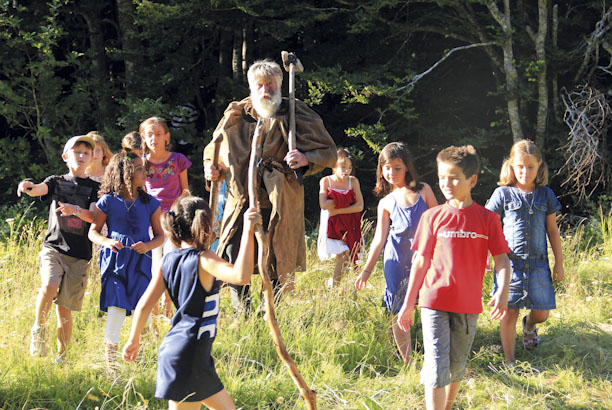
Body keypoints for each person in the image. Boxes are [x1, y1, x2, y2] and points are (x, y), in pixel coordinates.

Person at [203, 59, 337, 311]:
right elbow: (214, 147)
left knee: (276, 256)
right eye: (260, 85)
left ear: (280, 84)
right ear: (252, 86)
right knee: (234, 249)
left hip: (281, 198)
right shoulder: (236, 114)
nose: (265, 91)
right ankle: (242, 310)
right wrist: (211, 166)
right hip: (241, 199)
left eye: (271, 85)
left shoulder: (295, 112)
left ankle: (273, 310)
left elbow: (329, 152)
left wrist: (305, 159)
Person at [397, 145, 511, 410]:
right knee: (437, 366)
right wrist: (408, 302)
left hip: (469, 305)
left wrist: (502, 290)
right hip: (433, 300)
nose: (446, 183)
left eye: (454, 177)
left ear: (472, 180)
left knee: (457, 366)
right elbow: (421, 261)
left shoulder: (488, 219)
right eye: (442, 177)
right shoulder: (432, 217)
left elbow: (502, 259)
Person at [122, 195, 261, 410]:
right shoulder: (204, 259)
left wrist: (133, 339)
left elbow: (143, 305)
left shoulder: (168, 260)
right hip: (188, 356)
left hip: (188, 354)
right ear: (205, 224)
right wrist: (248, 233)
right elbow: (241, 277)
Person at [17, 135, 100, 360]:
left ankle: (62, 356)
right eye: (77, 152)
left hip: (80, 255)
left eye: (86, 153)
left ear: (92, 158)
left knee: (64, 309)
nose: (81, 156)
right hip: (53, 248)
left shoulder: (95, 188)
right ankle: (38, 330)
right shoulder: (56, 181)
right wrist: (27, 186)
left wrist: (76, 210)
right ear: (65, 157)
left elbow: (94, 216)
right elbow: (38, 189)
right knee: (49, 285)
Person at [354, 142, 438, 364]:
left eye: (397, 167)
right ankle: (408, 362)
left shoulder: (424, 191)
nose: (391, 172)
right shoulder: (385, 202)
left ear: (407, 167)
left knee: (430, 305)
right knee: (398, 308)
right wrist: (366, 271)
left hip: (424, 259)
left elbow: (439, 224)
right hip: (396, 260)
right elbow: (379, 239)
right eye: (387, 167)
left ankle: (434, 356)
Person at [485, 139, 564, 366]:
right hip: (510, 265)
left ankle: (529, 326)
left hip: (539, 264)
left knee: (542, 313)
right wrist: (485, 255)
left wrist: (559, 263)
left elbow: (552, 230)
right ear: (511, 165)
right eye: (520, 166)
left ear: (539, 166)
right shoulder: (503, 194)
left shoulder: (546, 195)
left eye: (530, 167)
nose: (525, 171)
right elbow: (488, 225)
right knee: (510, 313)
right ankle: (510, 361)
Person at [88, 152, 164, 369]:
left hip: (140, 264)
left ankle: (146, 358)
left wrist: (148, 245)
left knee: (144, 310)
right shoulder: (108, 201)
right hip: (115, 264)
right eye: (139, 168)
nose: (145, 172)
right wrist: (106, 241)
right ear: (124, 173)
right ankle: (111, 365)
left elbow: (160, 236)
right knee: (116, 310)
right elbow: (93, 232)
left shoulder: (151, 203)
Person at [142, 116, 192, 317]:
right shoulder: (141, 163)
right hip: (151, 220)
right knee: (155, 265)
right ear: (143, 138)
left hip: (173, 219)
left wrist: (181, 216)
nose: (154, 138)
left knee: (172, 260)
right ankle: (154, 311)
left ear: (167, 137)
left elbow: (185, 191)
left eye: (158, 134)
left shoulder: (178, 160)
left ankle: (169, 304)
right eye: (149, 135)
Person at [317, 148, 364, 288]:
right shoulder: (325, 181)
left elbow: (360, 206)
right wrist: (347, 199)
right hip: (332, 224)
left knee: (351, 256)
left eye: (349, 168)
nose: (346, 171)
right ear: (334, 167)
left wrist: (338, 209)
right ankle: (336, 287)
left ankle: (344, 286)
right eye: (343, 167)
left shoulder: (353, 181)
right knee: (342, 256)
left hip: (350, 222)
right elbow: (324, 204)